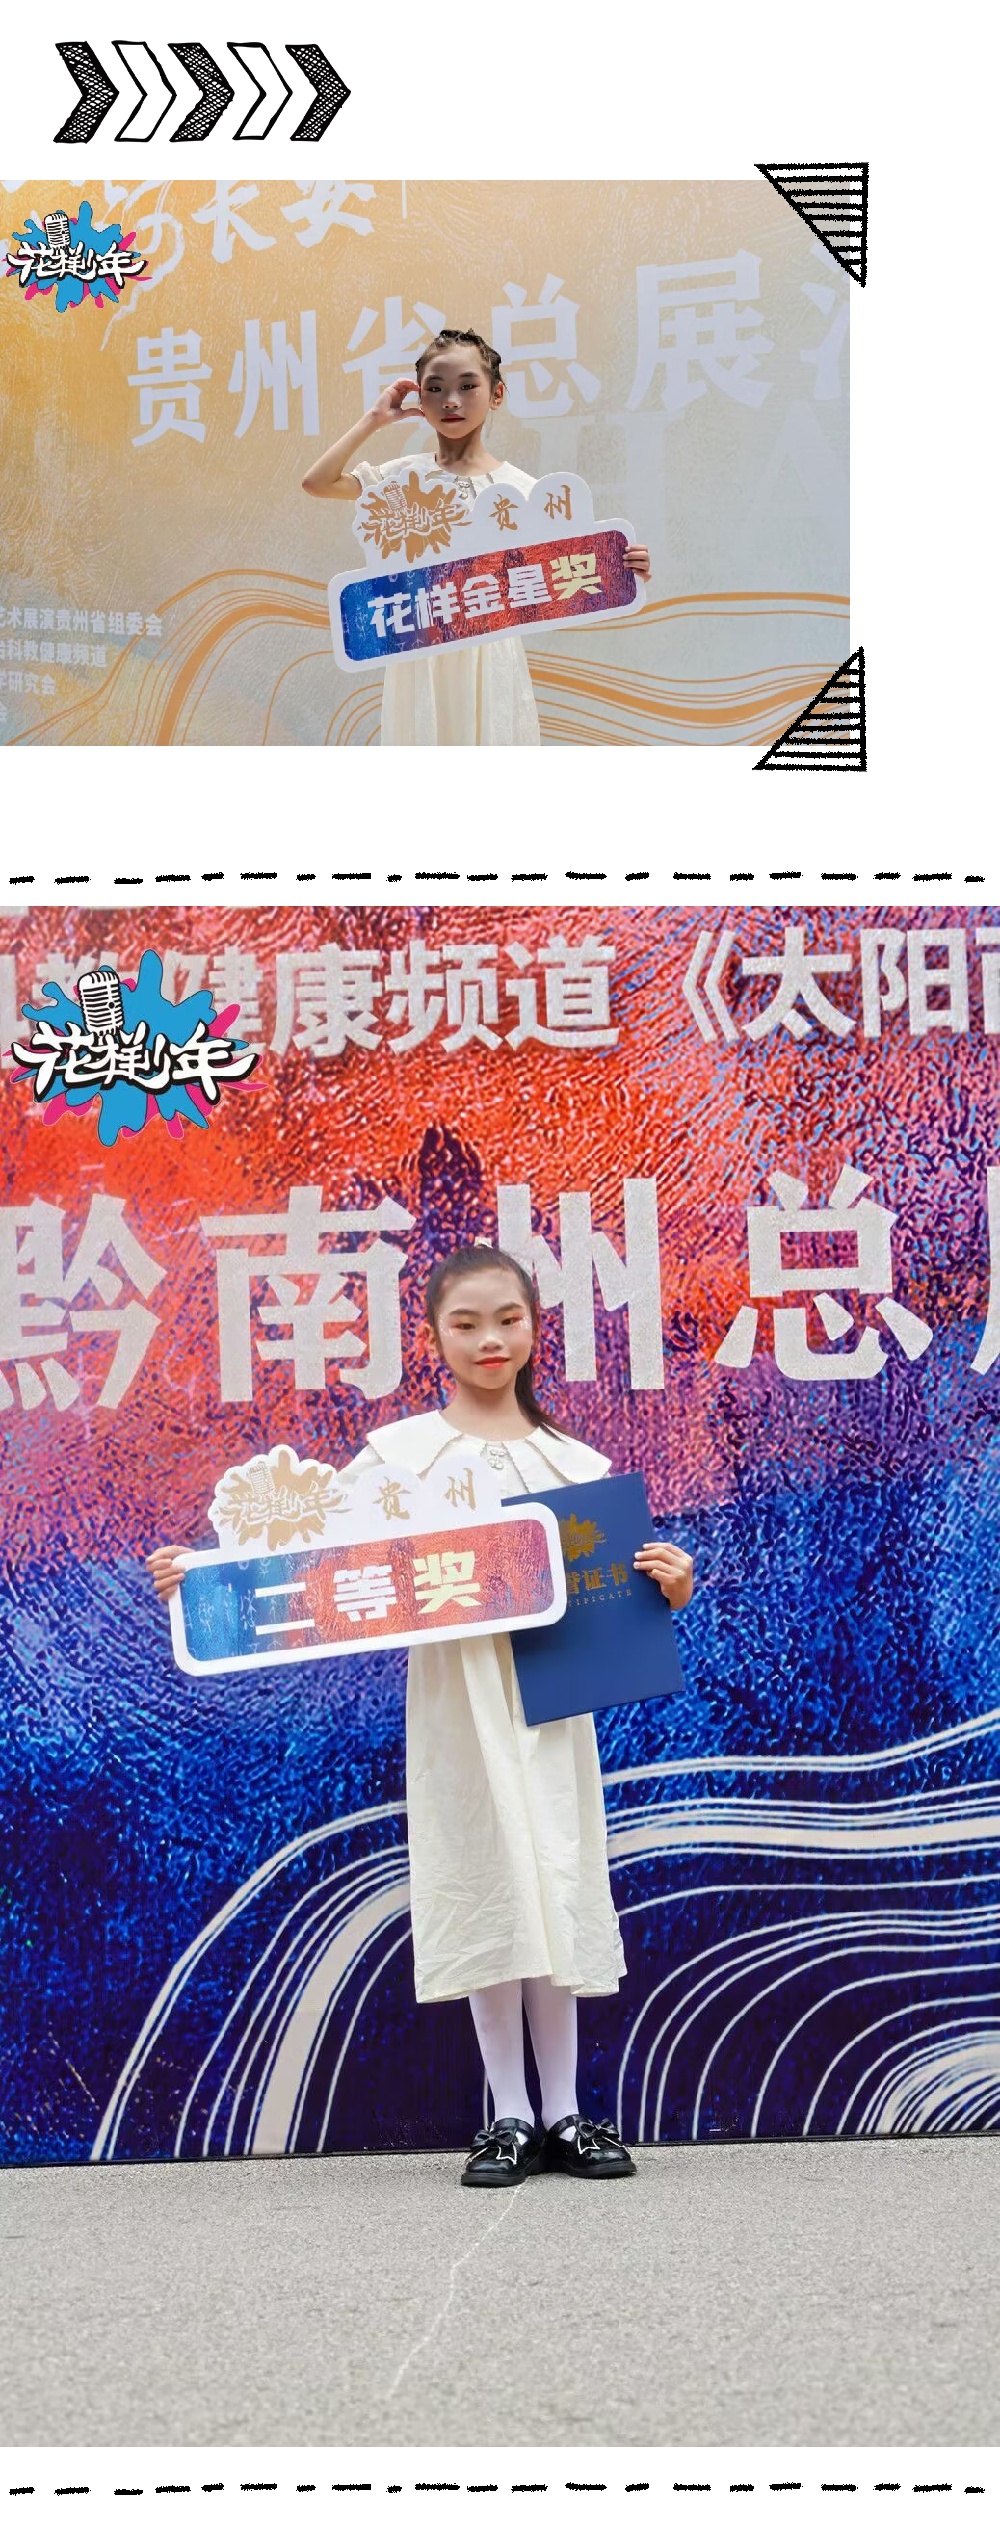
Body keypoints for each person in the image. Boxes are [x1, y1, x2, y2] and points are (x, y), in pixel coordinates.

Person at [147, 1245, 694, 2189]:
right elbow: (312, 1556)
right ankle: (510, 2113)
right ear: (433, 1335)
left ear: (535, 1326)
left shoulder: (575, 1465)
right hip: (456, 1699)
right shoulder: (399, 1460)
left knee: (555, 1878)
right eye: (466, 1323)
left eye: (508, 1319)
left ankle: (566, 2112)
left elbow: (618, 1595)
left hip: (551, 1703)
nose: (490, 1340)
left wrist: (671, 1586)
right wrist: (201, 1578)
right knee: (487, 1875)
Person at [301, 325, 651, 747]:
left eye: (468, 386)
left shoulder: (523, 490)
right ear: (419, 400)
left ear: (496, 395)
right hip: (420, 657)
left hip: (492, 657)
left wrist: (624, 565)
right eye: (435, 388)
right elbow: (317, 482)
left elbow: (571, 569)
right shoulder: (400, 478)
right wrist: (374, 420)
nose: (451, 400)